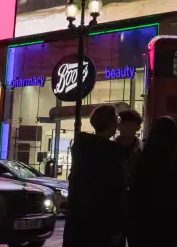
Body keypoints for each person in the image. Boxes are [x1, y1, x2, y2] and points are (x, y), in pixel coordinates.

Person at [63, 104, 127, 247]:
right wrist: (116, 227)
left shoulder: (82, 147)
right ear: (112, 123)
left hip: (79, 222)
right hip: (101, 224)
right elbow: (115, 192)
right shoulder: (112, 153)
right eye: (117, 118)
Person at [126, 116, 177, 247]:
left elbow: (134, 191)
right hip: (166, 224)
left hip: (142, 224)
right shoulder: (175, 160)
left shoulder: (143, 157)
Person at [115, 108, 144, 184]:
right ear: (118, 126)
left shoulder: (145, 150)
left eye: (130, 125)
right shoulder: (109, 148)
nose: (126, 128)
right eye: (123, 124)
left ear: (138, 128)